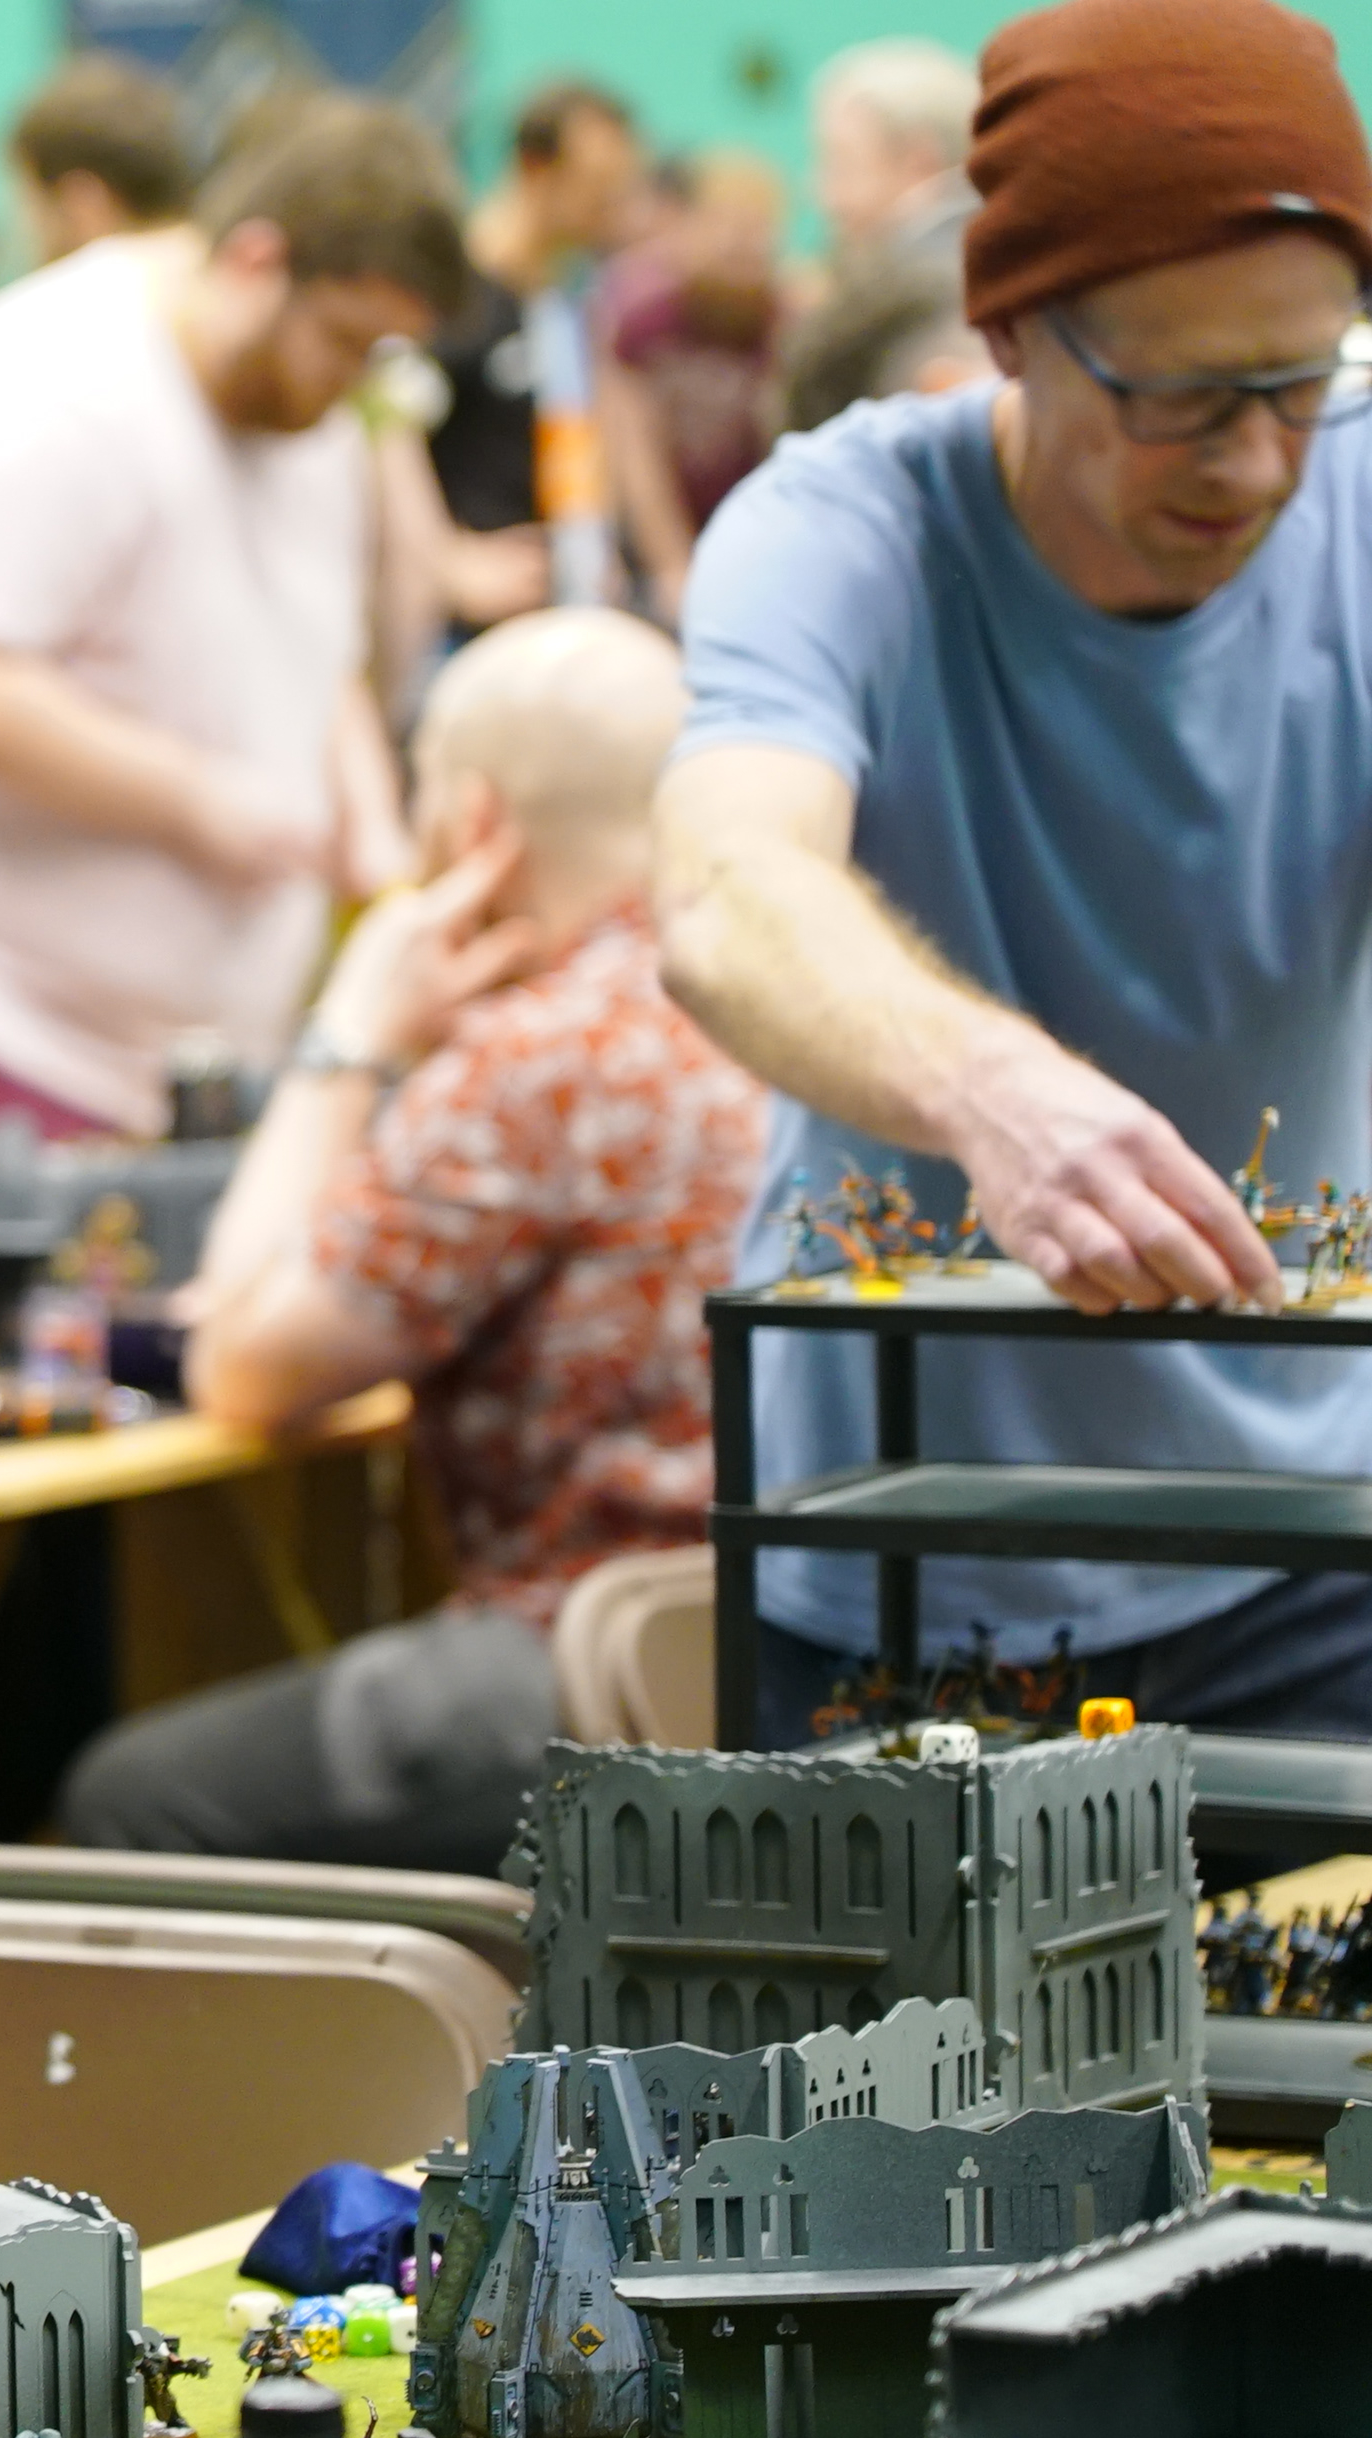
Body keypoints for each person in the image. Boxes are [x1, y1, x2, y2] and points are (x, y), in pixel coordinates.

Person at [656, 0, 1372, 1744]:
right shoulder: (838, 534)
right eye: (1184, 398)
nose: (1257, 461)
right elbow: (725, 899)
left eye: (1301, 381)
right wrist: (998, 1094)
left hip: (1316, 1541)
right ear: (1009, 330)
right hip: (917, 1566)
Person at [54, 611, 763, 1870]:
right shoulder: (784, 999)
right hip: (789, 1654)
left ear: (473, 825)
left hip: (602, 1663)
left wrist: (351, 1036)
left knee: (131, 1798)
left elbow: (242, 1367)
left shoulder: (544, 1054)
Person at [0, 95, 459, 1139]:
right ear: (256, 262)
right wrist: (202, 799)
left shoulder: (305, 415)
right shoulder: (56, 392)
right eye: (343, 342)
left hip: (144, 1051)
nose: (350, 383)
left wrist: (370, 828)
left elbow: (312, 654)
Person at [419, 79, 644, 629]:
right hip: (467, 631)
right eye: (598, 187)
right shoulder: (452, 300)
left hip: (555, 611)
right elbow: (384, 445)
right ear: (536, 169)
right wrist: (447, 559)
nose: (612, 208)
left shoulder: (563, 304)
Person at [601, 149, 789, 614]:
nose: (741, 245)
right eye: (727, 225)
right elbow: (634, 455)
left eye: (756, 228)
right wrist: (672, 565)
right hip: (664, 543)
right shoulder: (645, 323)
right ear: (688, 225)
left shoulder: (784, 322)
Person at [779, 36, 985, 432]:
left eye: (840, 162)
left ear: (919, 161)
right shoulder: (1016, 257)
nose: (821, 195)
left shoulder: (896, 287)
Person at [6, 51, 192, 269]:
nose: (24, 233)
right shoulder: (228, 284)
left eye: (30, 206)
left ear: (83, 205)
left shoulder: (50, 300)